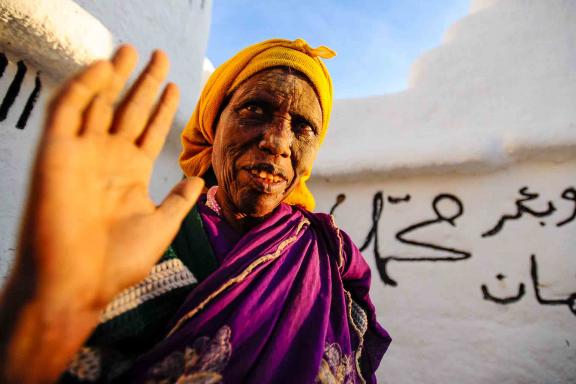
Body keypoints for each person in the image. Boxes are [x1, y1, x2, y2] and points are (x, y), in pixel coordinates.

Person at [0, 38, 391, 383]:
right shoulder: (144, 242)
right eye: (255, 109)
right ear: (212, 124)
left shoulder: (328, 257)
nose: (277, 141)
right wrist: (44, 309)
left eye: (303, 126)